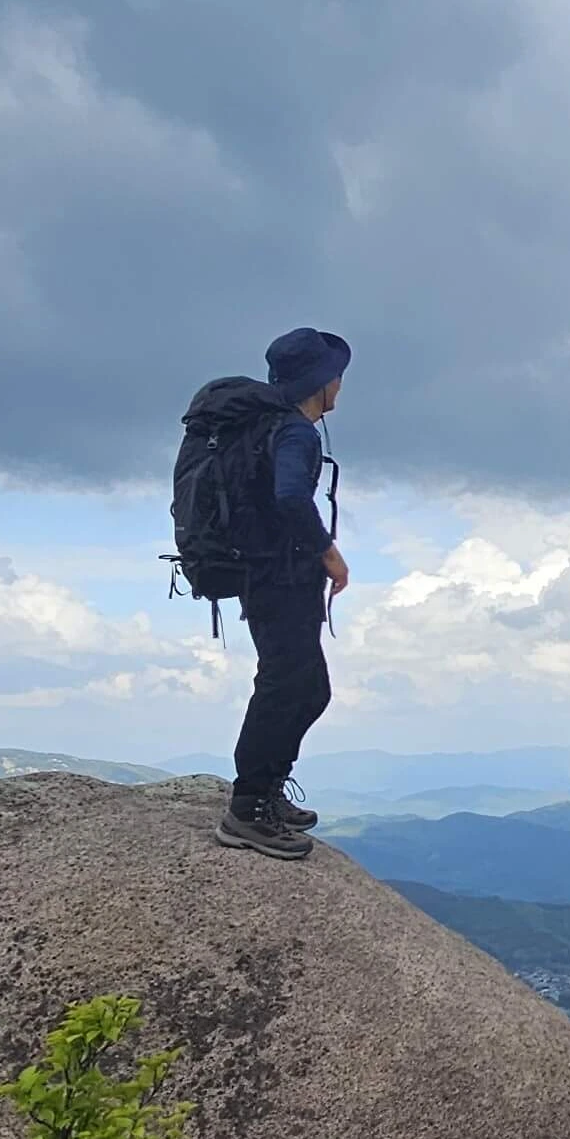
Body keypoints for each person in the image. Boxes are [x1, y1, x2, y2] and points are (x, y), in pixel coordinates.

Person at [215, 326, 351, 857]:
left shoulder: (262, 428)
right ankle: (248, 808)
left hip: (264, 576)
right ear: (321, 382)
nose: (340, 386)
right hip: (282, 579)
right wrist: (329, 552)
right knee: (283, 686)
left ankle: (266, 790)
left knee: (307, 688)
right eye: (336, 377)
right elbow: (292, 496)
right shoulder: (294, 432)